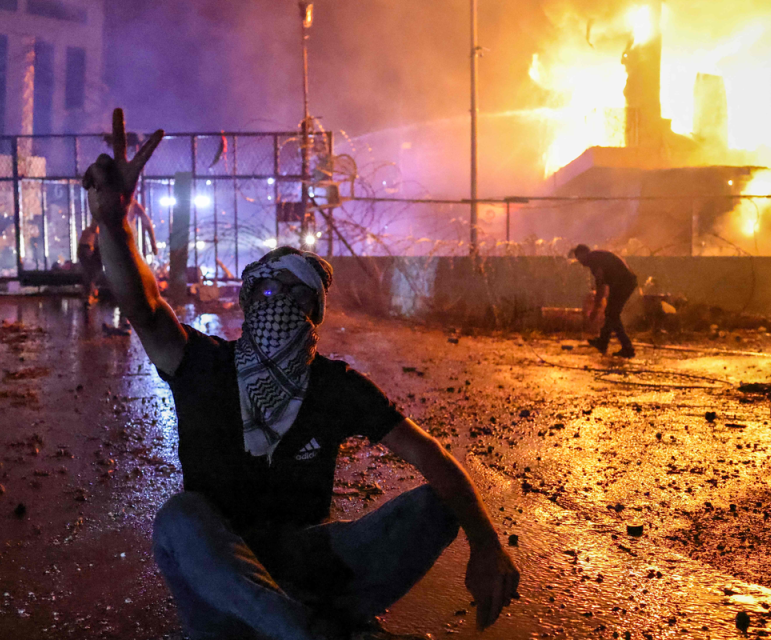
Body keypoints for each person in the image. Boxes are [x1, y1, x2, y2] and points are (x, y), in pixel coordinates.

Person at [82, 108, 520, 640]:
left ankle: (311, 624)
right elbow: (145, 308)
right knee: (179, 518)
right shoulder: (204, 366)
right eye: (271, 292)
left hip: (308, 569)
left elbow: (432, 457)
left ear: (315, 316)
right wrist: (113, 223)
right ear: (248, 303)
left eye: (299, 296)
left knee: (439, 504)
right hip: (225, 592)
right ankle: (307, 630)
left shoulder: (333, 387)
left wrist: (486, 544)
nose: (283, 305)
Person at [570, 244, 638, 358]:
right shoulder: (597, 257)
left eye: (578, 257)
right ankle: (603, 342)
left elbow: (600, 284)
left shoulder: (593, 260)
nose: (579, 261)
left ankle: (627, 347)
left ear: (583, 254)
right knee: (611, 314)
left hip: (624, 284)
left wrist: (596, 308)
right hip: (624, 282)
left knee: (612, 314)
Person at [77, 221, 102, 306]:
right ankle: (89, 295)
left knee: (90, 276)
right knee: (91, 276)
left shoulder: (89, 232)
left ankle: (88, 295)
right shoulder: (96, 233)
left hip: (88, 255)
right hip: (90, 256)